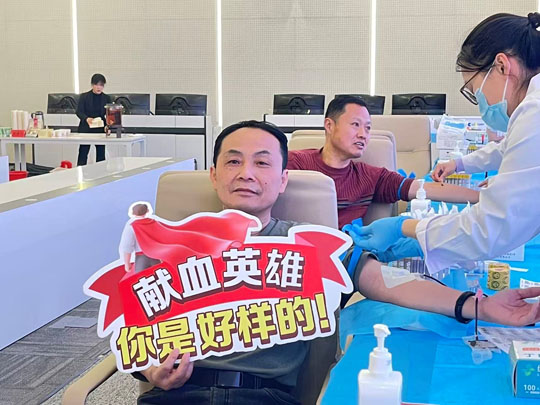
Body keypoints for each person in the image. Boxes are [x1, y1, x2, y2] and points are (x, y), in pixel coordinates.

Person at [134, 120, 540, 405]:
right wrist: (150, 370)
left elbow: (386, 281)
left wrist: (479, 306)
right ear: (213, 174)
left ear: (283, 178)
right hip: (174, 395)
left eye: (262, 162)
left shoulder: (308, 243)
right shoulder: (168, 245)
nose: (246, 173)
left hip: (265, 397)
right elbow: (134, 330)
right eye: (233, 161)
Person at [346, 12, 540, 276]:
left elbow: (489, 229)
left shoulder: (533, 113)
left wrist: (405, 228)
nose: (480, 102)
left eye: (475, 92)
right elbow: (507, 151)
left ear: (502, 66)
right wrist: (459, 165)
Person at [287, 95, 480, 229]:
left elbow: (424, 189)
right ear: (329, 125)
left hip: (343, 259)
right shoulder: (295, 164)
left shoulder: (369, 177)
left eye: (368, 128)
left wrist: (484, 197)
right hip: (297, 257)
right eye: (355, 125)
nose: (363, 134)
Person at [76, 73, 112, 166]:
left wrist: (108, 127)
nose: (99, 87)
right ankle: (80, 171)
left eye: (101, 85)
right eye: (97, 84)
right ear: (92, 85)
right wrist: (86, 118)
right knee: (83, 152)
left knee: (101, 153)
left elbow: (110, 115)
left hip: (100, 128)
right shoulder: (84, 96)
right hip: (86, 127)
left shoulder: (107, 98)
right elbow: (79, 112)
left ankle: (101, 172)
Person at [119, 202, 152, 272]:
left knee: (142, 277)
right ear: (147, 211)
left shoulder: (131, 226)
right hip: (156, 256)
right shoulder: (154, 223)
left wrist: (127, 263)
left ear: (133, 213)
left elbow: (127, 246)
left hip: (141, 258)